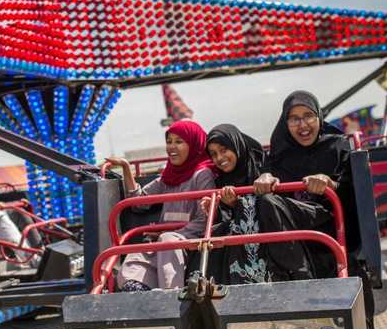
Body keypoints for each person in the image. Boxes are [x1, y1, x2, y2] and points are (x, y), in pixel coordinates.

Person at [253, 91, 375, 329]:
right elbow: (267, 182)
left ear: (319, 117)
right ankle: (299, 276)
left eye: (308, 115)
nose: (302, 124)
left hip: (331, 219)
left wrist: (330, 183)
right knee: (265, 202)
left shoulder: (337, 145)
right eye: (294, 118)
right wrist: (264, 179)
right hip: (294, 224)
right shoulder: (279, 153)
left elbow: (353, 190)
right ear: (285, 123)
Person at [105, 120, 216, 291]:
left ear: (194, 145)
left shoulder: (202, 175)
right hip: (166, 240)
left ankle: (171, 296)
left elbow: (204, 220)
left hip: (190, 240)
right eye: (169, 141)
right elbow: (139, 202)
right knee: (137, 254)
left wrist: (171, 233)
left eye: (179, 142)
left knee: (166, 241)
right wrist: (126, 168)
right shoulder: (169, 176)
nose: (172, 147)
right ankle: (139, 293)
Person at [192, 124, 268, 284]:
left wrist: (238, 204)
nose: (219, 158)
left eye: (224, 150)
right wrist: (214, 209)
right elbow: (227, 219)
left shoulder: (263, 168)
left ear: (236, 145)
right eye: (213, 154)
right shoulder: (220, 181)